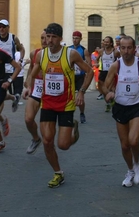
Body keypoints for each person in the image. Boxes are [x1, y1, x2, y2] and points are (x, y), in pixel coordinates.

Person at [26, 23, 93, 188]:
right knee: (48, 141)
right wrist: (28, 87)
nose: (50, 40)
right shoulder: (41, 55)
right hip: (47, 104)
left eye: (53, 37)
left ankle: (73, 133)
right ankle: (58, 173)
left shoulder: (71, 54)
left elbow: (89, 71)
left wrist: (82, 92)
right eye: (47, 36)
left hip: (66, 105)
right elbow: (32, 74)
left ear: (61, 38)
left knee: (62, 145)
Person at [103, 36, 139, 187]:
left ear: (134, 49)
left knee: (134, 140)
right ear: (119, 49)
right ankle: (130, 170)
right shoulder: (116, 66)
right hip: (120, 107)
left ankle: (137, 163)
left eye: (129, 48)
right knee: (125, 145)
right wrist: (107, 93)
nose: (126, 51)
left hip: (137, 106)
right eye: (123, 48)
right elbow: (105, 85)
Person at [22, 29, 47, 154]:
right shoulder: (34, 54)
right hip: (37, 89)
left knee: (47, 129)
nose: (44, 41)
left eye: (46, 37)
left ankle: (49, 147)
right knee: (28, 119)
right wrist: (28, 86)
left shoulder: (60, 55)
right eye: (42, 38)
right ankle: (36, 139)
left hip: (51, 94)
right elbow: (32, 69)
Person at [0, 19, 25, 112]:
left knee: (1, 93)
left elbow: (21, 49)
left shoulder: (13, 38)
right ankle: (13, 97)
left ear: (8, 28)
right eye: (0, 27)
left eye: (4, 27)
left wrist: (20, 60)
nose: (2, 29)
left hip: (10, 69)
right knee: (0, 94)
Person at [69, 31, 91, 124]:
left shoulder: (84, 50)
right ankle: (69, 113)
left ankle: (82, 113)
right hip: (71, 75)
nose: (75, 40)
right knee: (70, 96)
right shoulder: (68, 49)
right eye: (73, 38)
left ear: (80, 39)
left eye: (77, 38)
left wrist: (82, 64)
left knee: (80, 96)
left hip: (80, 76)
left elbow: (89, 64)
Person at [97, 36, 120, 112]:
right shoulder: (101, 51)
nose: (105, 43)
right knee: (102, 86)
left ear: (111, 43)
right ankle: (109, 101)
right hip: (103, 71)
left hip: (112, 72)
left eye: (107, 42)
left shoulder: (115, 52)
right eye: (104, 42)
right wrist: (97, 63)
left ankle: (110, 101)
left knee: (110, 88)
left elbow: (120, 60)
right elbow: (97, 58)